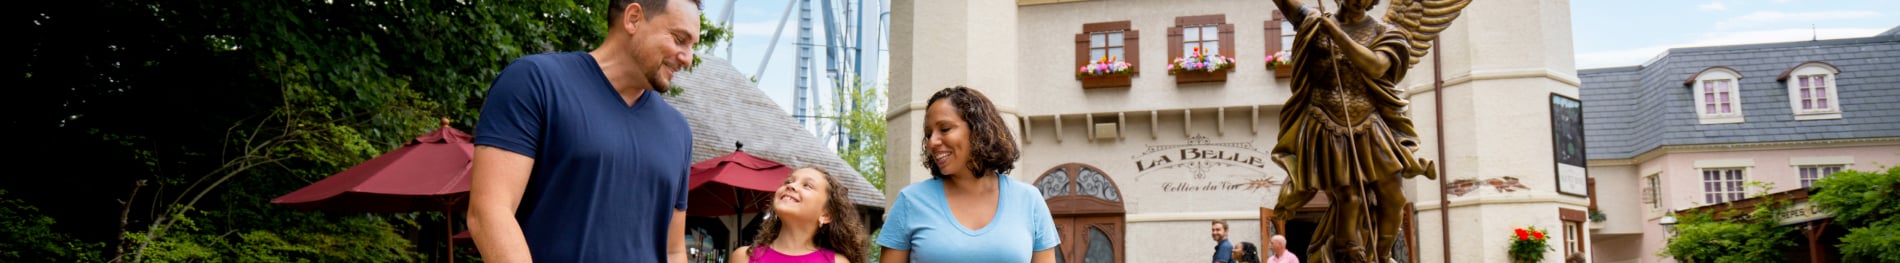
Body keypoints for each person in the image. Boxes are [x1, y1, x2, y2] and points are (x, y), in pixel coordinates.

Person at [465, 0, 703, 262]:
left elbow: (673, 250)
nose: (688, 59)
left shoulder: (678, 131)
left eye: (692, 46)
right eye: (680, 39)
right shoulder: (534, 82)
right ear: (633, 18)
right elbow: (489, 212)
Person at [877, 86, 1060, 263]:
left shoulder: (1029, 200)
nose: (931, 142)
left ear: (979, 130)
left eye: (945, 129)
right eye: (928, 134)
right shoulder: (910, 202)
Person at [731, 167, 867, 263]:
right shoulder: (743, 257)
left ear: (825, 215)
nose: (791, 186)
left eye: (807, 185)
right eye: (788, 181)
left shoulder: (838, 262)